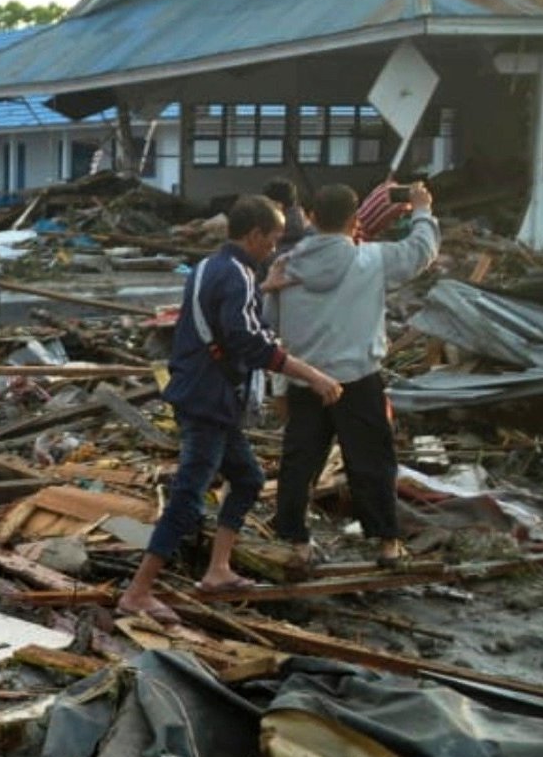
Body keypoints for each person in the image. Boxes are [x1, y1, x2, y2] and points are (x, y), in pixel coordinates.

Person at [118, 195, 343, 623]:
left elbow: (229, 318)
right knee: (188, 495)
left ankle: (218, 570)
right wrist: (311, 375)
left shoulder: (209, 267)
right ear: (255, 235)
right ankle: (139, 591)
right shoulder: (237, 276)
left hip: (202, 394)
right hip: (210, 399)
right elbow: (250, 342)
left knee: (248, 478)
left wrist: (265, 289)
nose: (274, 249)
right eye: (273, 240)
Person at [263, 179, 439, 569]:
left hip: (305, 378)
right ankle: (386, 544)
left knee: (299, 462)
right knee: (371, 460)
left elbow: (270, 323)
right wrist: (422, 209)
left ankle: (295, 542)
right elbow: (421, 252)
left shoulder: (285, 265)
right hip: (357, 378)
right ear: (354, 219)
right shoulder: (371, 259)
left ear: (310, 218)